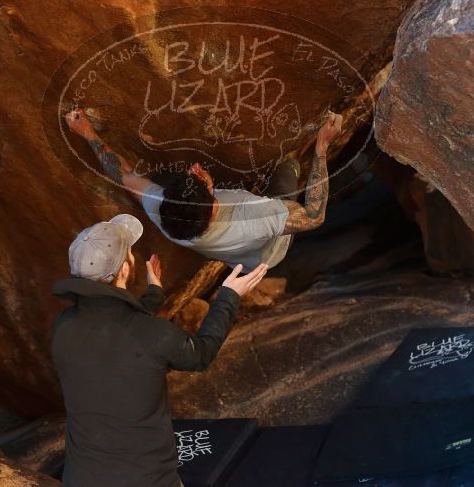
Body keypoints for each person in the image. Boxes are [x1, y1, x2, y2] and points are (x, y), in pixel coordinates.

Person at [51, 213, 268, 487]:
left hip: (81, 479)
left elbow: (114, 322)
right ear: (126, 270)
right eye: (129, 254)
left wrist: (155, 292)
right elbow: (200, 354)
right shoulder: (150, 333)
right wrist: (228, 296)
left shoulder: (64, 327)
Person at [64, 108, 345, 271]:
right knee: (288, 166)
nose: (197, 169)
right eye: (203, 183)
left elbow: (121, 173)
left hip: (242, 260)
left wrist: (87, 132)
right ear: (212, 209)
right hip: (271, 251)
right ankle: (293, 166)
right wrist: (322, 148)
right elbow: (314, 217)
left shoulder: (163, 212)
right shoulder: (257, 217)